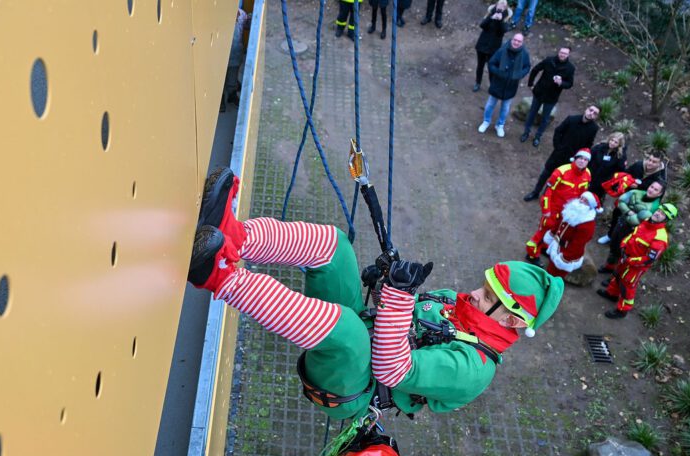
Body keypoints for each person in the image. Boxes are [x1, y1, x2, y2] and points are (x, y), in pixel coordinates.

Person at [190, 169, 564, 420]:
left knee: (349, 329)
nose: (473, 294)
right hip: (364, 338)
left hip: (355, 384)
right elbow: (399, 316)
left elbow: (394, 368)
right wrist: (389, 283)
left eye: (487, 295)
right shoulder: (456, 304)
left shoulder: (471, 370)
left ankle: (221, 277)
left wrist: (400, 297)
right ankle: (234, 237)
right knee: (334, 247)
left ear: (512, 319)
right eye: (484, 286)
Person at [597, 203, 677, 318]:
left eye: (662, 214)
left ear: (666, 219)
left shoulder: (660, 238)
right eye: (658, 211)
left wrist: (631, 260)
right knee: (618, 276)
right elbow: (632, 236)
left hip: (635, 267)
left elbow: (648, 259)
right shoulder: (646, 222)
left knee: (627, 287)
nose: (658, 214)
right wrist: (624, 245)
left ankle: (622, 310)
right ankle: (612, 293)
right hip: (626, 257)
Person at [525, 148, 592, 263]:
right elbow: (547, 192)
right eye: (580, 158)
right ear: (575, 159)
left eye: (585, 160)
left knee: (555, 232)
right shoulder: (561, 171)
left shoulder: (587, 174)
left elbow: (582, 194)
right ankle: (531, 254)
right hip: (553, 209)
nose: (582, 161)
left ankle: (544, 248)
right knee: (543, 231)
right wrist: (546, 210)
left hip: (567, 212)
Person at [523, 105, 600, 201]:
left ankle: (546, 196)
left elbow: (588, 144)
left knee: (558, 178)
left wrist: (579, 157)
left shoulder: (594, 128)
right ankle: (535, 192)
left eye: (595, 113)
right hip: (558, 154)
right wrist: (557, 146)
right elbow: (558, 131)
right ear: (586, 109)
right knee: (545, 174)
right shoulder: (571, 119)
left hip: (572, 159)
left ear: (596, 117)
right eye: (590, 110)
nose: (591, 113)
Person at [598, 179, 666, 271]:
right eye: (651, 187)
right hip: (621, 223)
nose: (651, 190)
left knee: (622, 253)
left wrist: (626, 209)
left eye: (655, 190)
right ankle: (609, 267)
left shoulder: (654, 208)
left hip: (632, 232)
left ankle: (615, 275)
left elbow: (637, 221)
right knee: (613, 246)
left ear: (659, 194)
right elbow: (620, 202)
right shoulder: (637, 192)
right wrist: (629, 211)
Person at [479, 33, 531, 138]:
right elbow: (491, 63)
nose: (516, 42)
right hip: (498, 84)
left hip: (511, 86)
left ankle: (500, 125)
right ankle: (486, 121)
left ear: (522, 43)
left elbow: (527, 66)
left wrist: (519, 75)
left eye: (519, 41)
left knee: (505, 107)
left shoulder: (524, 54)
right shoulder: (502, 51)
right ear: (512, 40)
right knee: (490, 104)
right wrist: (498, 72)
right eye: (515, 40)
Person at [520, 46, 575, 145]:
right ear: (558, 52)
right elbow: (535, 70)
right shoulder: (549, 60)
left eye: (565, 53)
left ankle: (538, 136)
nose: (562, 55)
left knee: (545, 118)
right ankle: (526, 132)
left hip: (552, 97)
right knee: (532, 113)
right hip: (539, 92)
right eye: (561, 52)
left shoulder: (570, 68)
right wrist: (530, 84)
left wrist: (561, 83)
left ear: (568, 55)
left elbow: (569, 84)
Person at [542, 192, 599, 278]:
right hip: (557, 245)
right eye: (581, 198)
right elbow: (559, 223)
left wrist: (565, 258)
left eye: (585, 201)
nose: (581, 201)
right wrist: (552, 234)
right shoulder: (571, 210)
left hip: (567, 253)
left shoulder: (587, 224)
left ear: (590, 206)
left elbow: (578, 244)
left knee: (556, 275)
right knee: (550, 267)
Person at [473, 1, 512, 92]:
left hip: (494, 48)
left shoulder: (506, 17)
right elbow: (482, 25)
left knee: (492, 67)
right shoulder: (491, 12)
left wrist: (500, 21)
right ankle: (478, 83)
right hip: (482, 45)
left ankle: (492, 85)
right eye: (500, 4)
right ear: (497, 4)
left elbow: (503, 31)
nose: (501, 7)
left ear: (506, 8)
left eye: (503, 5)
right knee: (480, 65)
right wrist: (491, 18)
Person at [585, 132, 629, 206]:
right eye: (612, 140)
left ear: (619, 144)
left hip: (602, 183)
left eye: (616, 142)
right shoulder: (599, 147)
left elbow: (620, 171)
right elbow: (589, 158)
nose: (612, 143)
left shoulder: (620, 156)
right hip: (590, 176)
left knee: (594, 200)